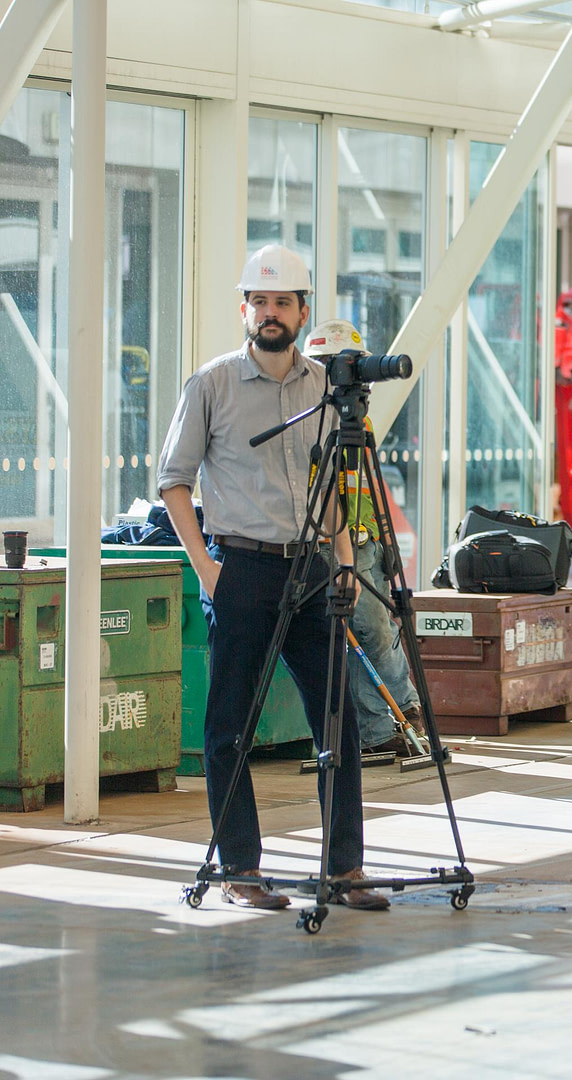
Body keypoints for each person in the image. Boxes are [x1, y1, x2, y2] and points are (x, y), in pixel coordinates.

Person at [157, 244, 389, 911]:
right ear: (244, 310)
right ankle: (240, 870)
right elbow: (173, 481)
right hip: (243, 569)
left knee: (337, 722)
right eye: (259, 302)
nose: (269, 313)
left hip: (312, 569)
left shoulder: (323, 388)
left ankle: (344, 870)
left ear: (301, 311)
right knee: (230, 726)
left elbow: (331, 486)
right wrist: (208, 570)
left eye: (281, 302)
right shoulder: (211, 385)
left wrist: (344, 560)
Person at [304, 319, 425, 757]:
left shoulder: (360, 423)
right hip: (324, 547)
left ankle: (407, 714)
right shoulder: (307, 424)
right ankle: (380, 731)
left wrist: (384, 540)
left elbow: (368, 489)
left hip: (363, 543)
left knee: (376, 629)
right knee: (354, 636)